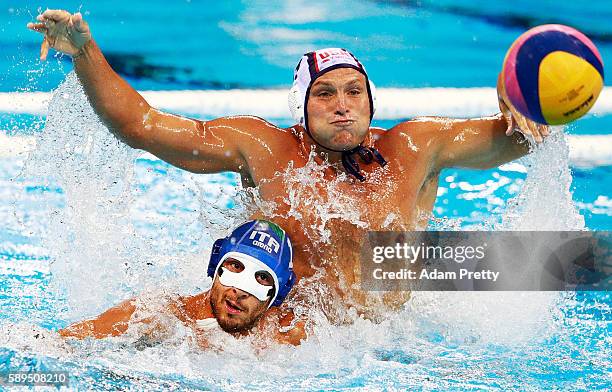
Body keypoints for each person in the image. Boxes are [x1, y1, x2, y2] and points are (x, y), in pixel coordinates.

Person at [28, 10, 550, 317]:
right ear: (301, 108)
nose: (343, 104)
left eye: (354, 92)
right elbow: (140, 126)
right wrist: (85, 52)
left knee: (556, 264)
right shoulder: (263, 148)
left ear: (371, 102)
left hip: (389, 338)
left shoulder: (416, 146)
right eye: (325, 94)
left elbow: (514, 141)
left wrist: (528, 110)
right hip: (285, 336)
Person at [59, 220, 305, 347]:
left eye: (262, 278)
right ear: (215, 266)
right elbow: (62, 341)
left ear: (278, 293)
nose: (239, 291)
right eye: (235, 267)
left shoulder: (284, 336)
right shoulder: (161, 315)